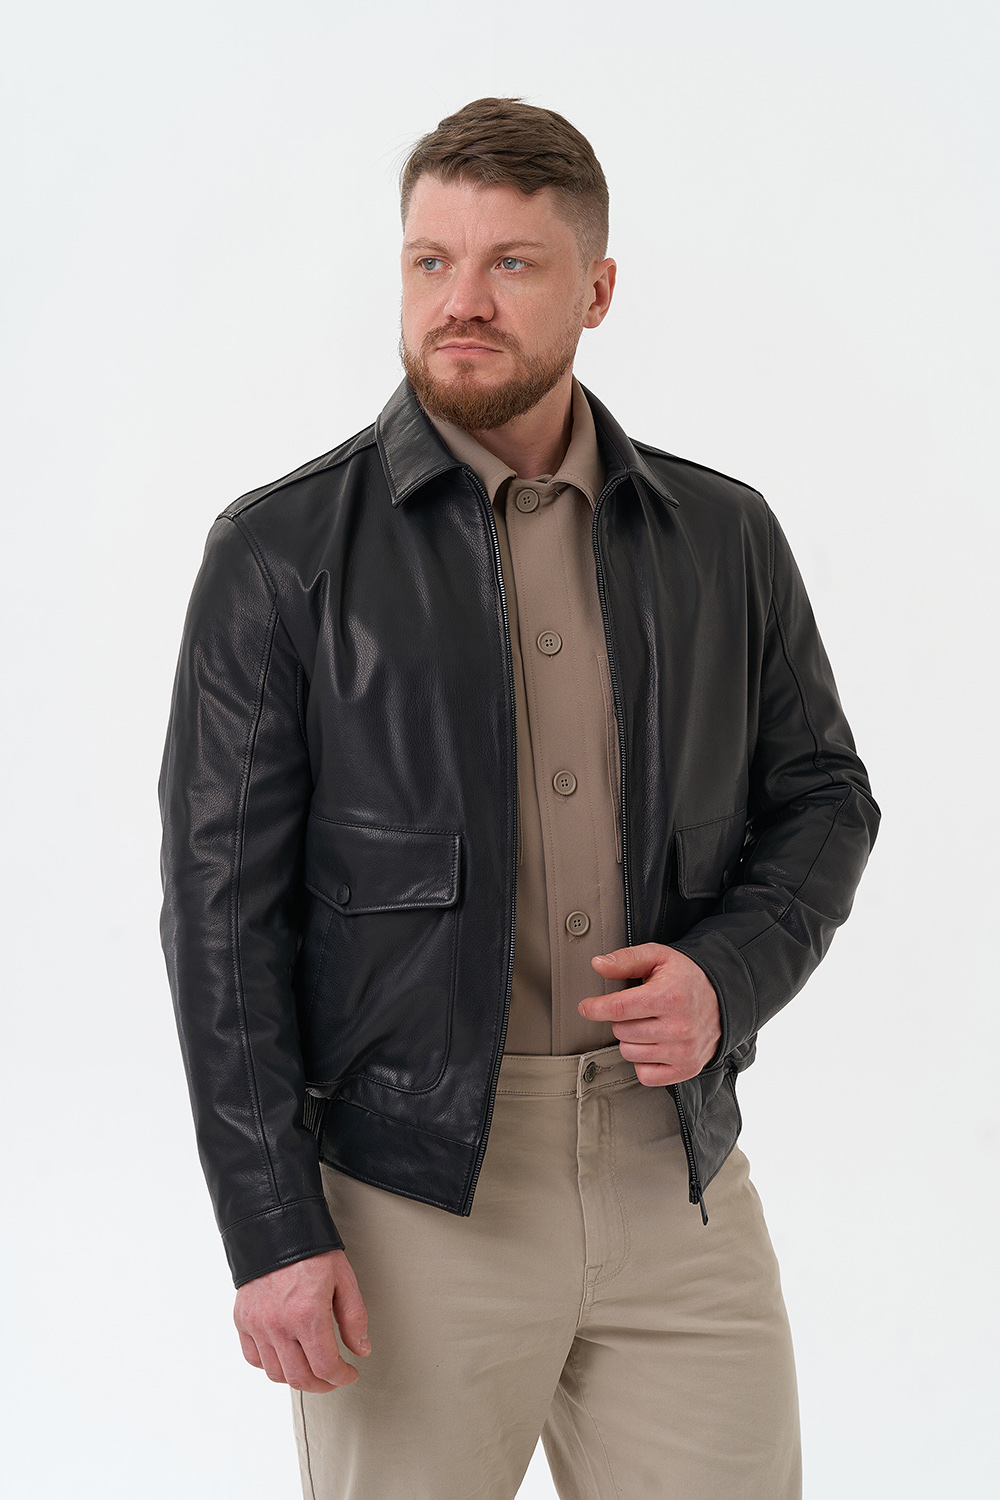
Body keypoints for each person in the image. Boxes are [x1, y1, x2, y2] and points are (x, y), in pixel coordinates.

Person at [158, 97, 880, 1500]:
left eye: (511, 263)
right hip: (409, 1193)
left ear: (596, 290)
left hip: (675, 1175)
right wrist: (272, 1227)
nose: (462, 301)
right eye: (431, 261)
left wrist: (727, 977)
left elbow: (826, 798)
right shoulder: (280, 554)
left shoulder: (722, 534)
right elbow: (219, 919)